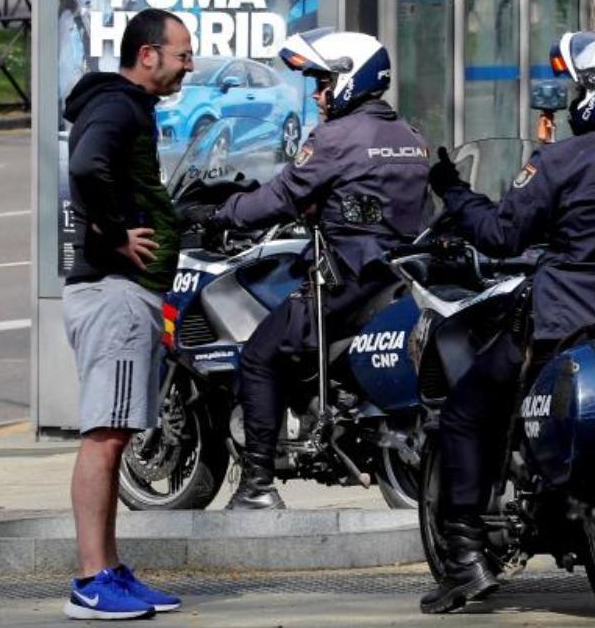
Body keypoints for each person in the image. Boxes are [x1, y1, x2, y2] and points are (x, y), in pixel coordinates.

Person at [419, 32, 595, 614]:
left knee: (468, 412)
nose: (575, 95)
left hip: (569, 320)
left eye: (582, 85)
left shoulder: (561, 160)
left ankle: (466, 555)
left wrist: (454, 192)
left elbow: (503, 235)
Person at [181, 29, 431, 510]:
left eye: (322, 81)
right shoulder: (410, 135)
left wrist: (220, 215)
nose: (316, 94)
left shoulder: (335, 138)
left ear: (348, 80)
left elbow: (280, 196)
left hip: (343, 283)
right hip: (395, 278)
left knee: (258, 356)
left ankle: (256, 486)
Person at [61, 7, 190, 620]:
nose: (188, 65)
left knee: (115, 435)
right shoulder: (116, 106)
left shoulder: (125, 106)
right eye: (181, 54)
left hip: (127, 293)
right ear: (148, 55)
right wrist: (115, 232)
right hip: (114, 291)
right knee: (105, 436)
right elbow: (86, 165)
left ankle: (108, 568)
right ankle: (90, 580)